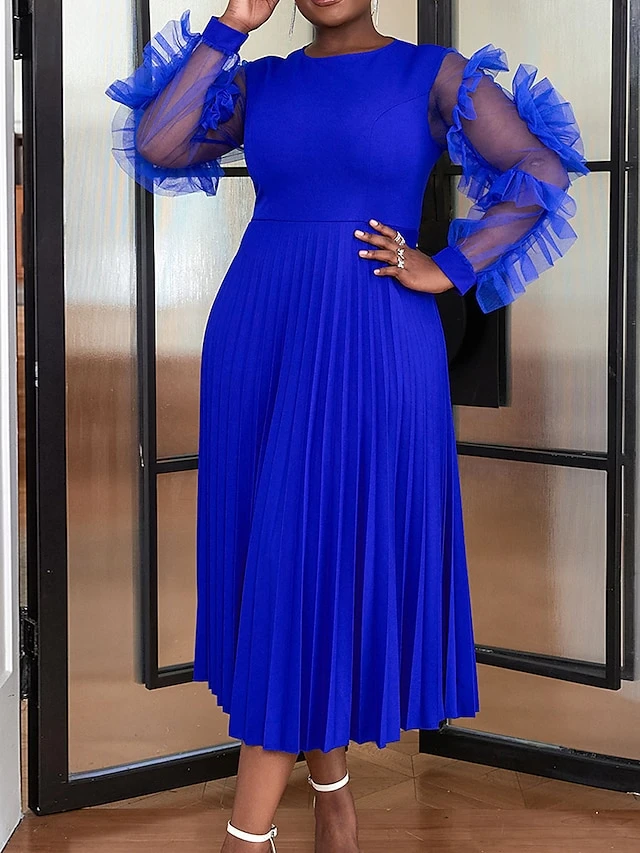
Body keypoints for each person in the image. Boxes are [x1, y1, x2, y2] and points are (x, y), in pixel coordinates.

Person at [106, 1, 588, 850]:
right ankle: (330, 787)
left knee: (303, 558)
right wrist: (231, 26)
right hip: (260, 334)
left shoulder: (431, 74)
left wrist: (448, 265)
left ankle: (246, 835)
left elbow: (542, 166)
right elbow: (159, 142)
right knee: (282, 562)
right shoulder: (262, 82)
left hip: (372, 338)